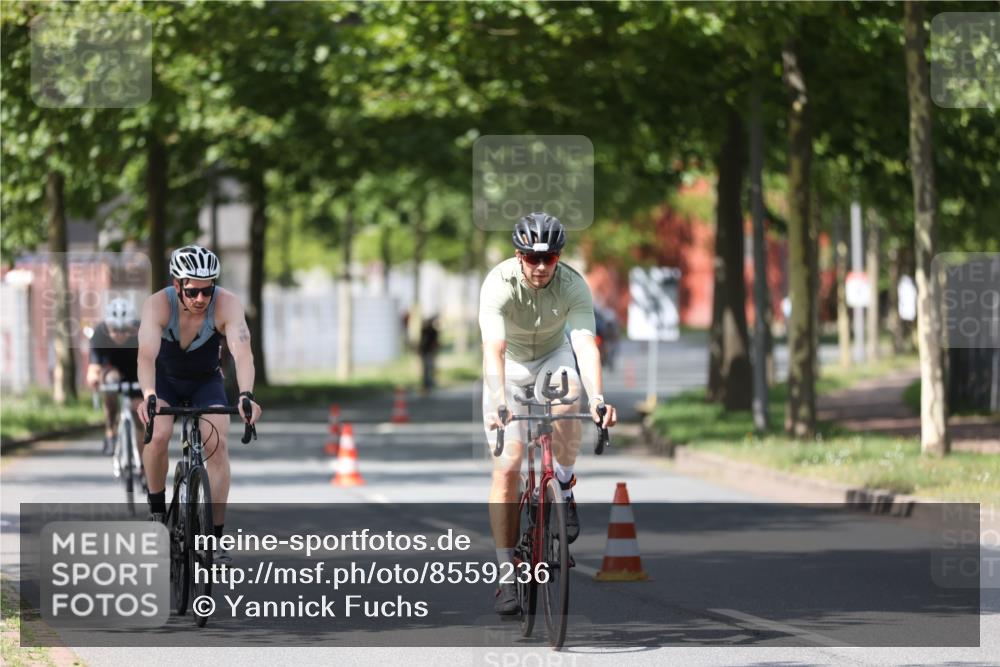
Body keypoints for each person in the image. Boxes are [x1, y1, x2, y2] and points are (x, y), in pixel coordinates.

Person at [479, 212, 617, 615]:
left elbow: (585, 344)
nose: (540, 267)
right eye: (531, 257)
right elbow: (494, 349)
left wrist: (598, 399)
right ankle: (506, 573)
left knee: (571, 393)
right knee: (508, 466)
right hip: (511, 366)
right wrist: (500, 398)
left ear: (559, 257)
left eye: (550, 258)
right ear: (518, 255)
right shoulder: (498, 284)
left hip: (554, 356)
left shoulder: (574, 285)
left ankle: (562, 484)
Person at [136, 245, 262, 565]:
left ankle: (215, 537)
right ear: (177, 284)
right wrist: (149, 394)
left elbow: (242, 353)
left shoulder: (227, 304)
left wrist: (246, 394)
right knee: (159, 435)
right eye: (193, 291)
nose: (201, 299)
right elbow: (146, 356)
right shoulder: (157, 305)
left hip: (206, 381)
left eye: (207, 290)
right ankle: (156, 513)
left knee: (217, 444)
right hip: (165, 381)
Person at [87, 298, 142, 455]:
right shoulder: (99, 334)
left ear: (132, 326)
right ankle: (111, 431)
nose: (120, 334)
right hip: (112, 369)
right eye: (115, 329)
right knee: (110, 382)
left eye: (125, 329)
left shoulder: (142, 331)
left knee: (139, 412)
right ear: (107, 326)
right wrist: (93, 379)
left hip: (136, 371)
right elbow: (93, 368)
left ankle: (142, 465)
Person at [418, 315, 440, 395]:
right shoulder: (424, 330)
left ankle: (429, 383)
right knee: (426, 369)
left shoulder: (432, 331)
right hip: (426, 352)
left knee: (430, 368)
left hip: (430, 352)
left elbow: (435, 343)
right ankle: (427, 384)